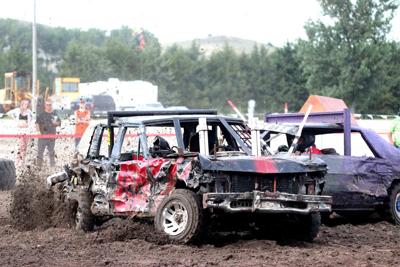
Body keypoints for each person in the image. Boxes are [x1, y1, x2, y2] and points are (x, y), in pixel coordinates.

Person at [7, 99, 33, 167]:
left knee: (24, 146)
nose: (26, 105)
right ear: (22, 104)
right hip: (19, 131)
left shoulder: (29, 112)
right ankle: (17, 161)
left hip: (26, 131)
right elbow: (8, 113)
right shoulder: (17, 111)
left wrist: (27, 125)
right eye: (25, 104)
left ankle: (22, 161)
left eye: (27, 104)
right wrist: (16, 122)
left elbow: (30, 121)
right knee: (20, 146)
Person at [36, 100, 61, 167]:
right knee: (40, 153)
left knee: (51, 153)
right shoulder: (41, 115)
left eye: (50, 105)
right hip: (42, 137)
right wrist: (39, 131)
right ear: (45, 106)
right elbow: (37, 124)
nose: (49, 106)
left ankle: (52, 167)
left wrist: (56, 123)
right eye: (47, 105)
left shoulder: (55, 114)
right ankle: (38, 167)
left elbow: (59, 123)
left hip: (52, 137)